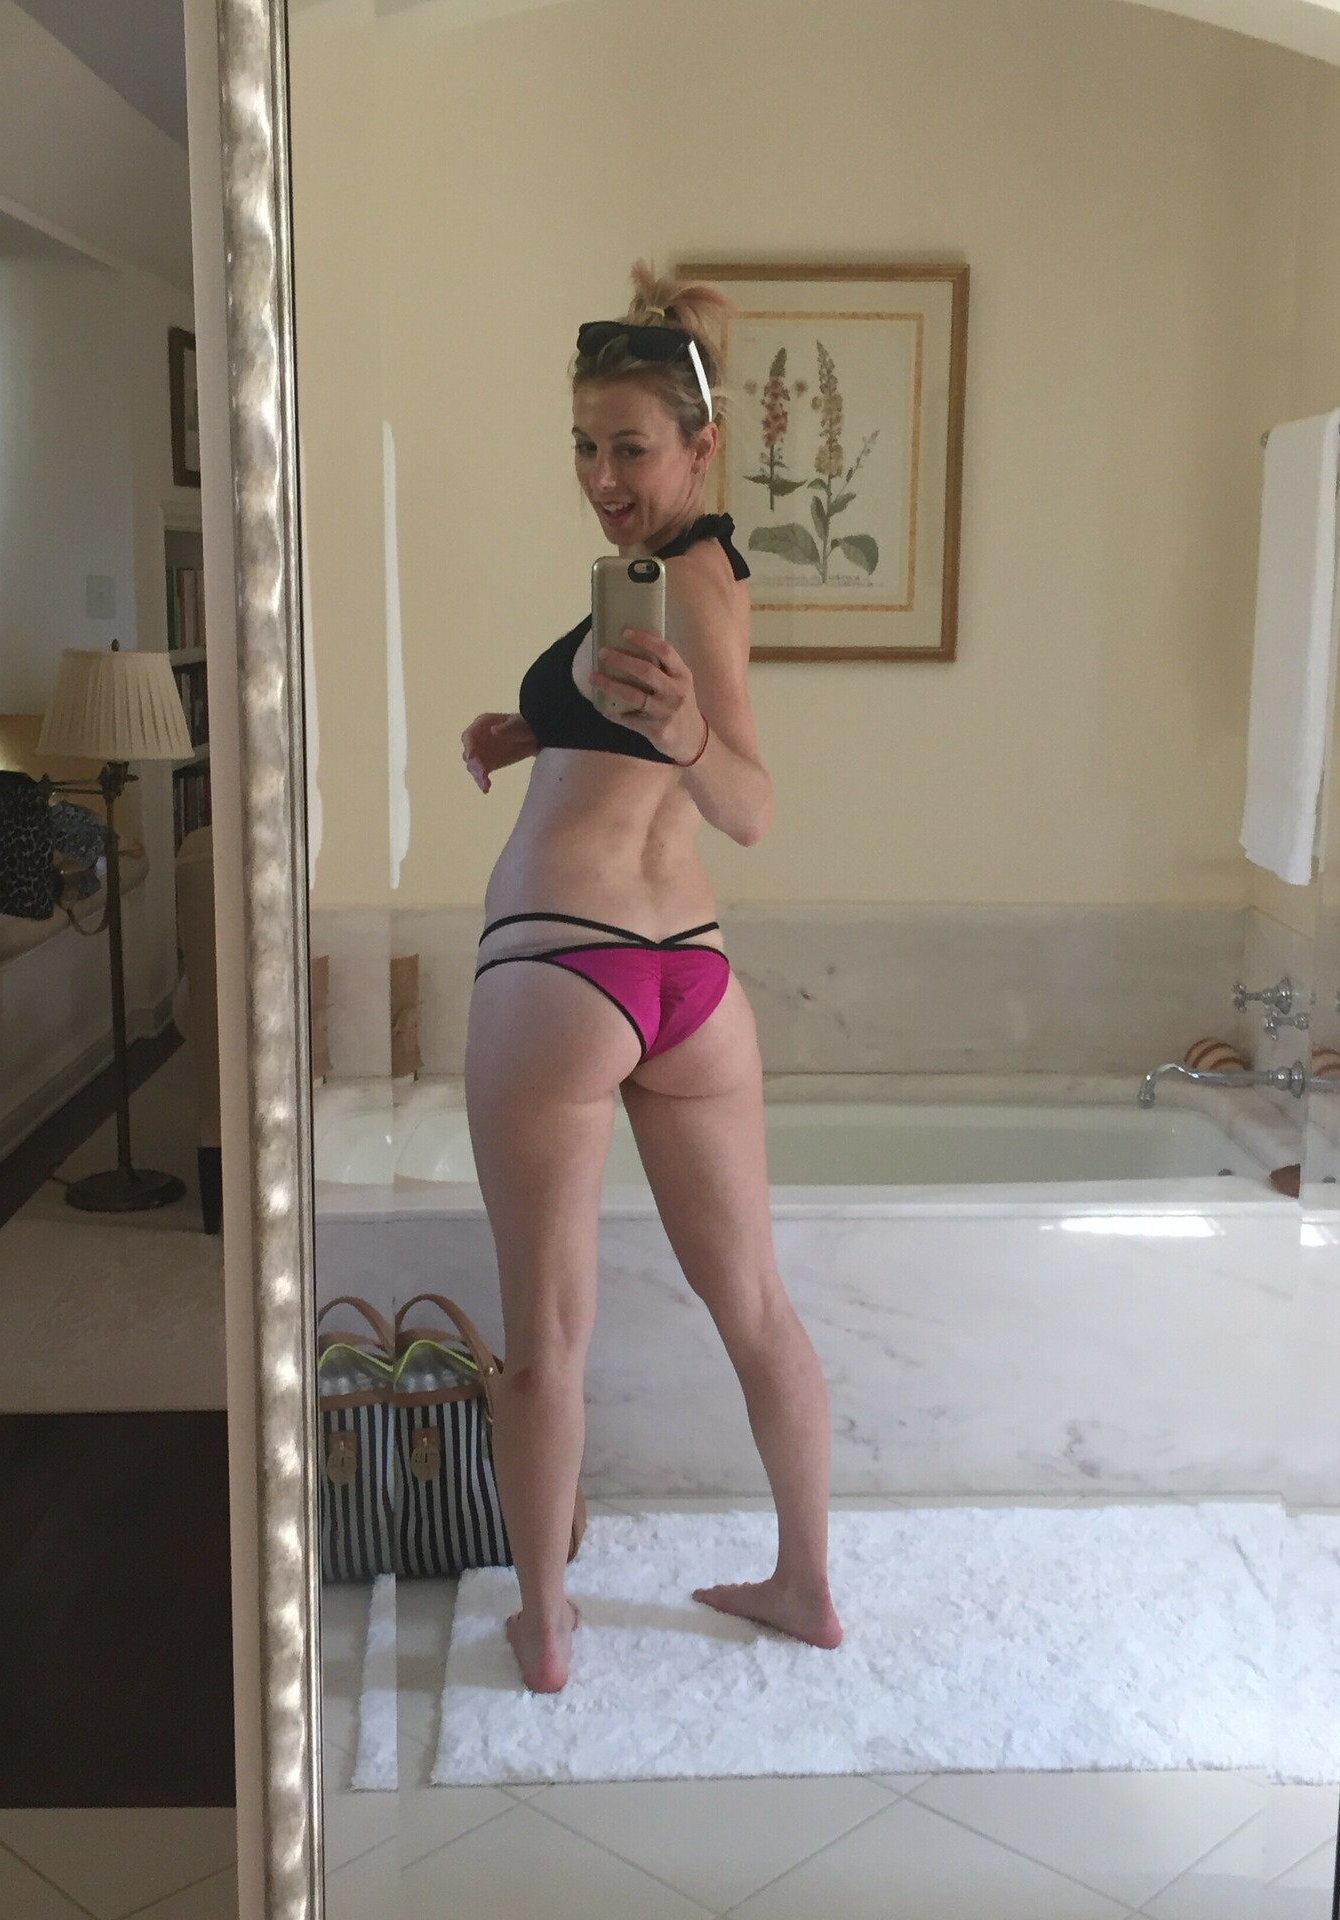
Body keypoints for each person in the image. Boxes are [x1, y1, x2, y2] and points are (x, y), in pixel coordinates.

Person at [459, 260, 843, 1693]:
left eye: (630, 448)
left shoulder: (690, 580)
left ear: (699, 445)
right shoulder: (686, 572)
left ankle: (548, 1625)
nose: (603, 479)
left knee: (545, 1342)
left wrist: (686, 741)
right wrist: (532, 725)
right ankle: (805, 1583)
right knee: (756, 1304)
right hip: (686, 985)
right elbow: (629, 743)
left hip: (564, 973)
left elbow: (749, 802)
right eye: (584, 447)